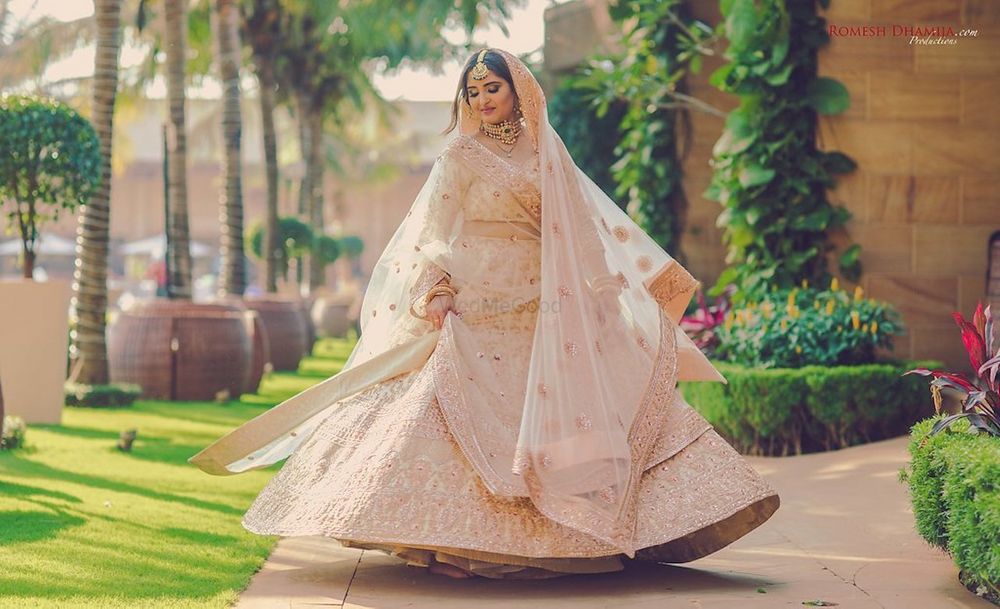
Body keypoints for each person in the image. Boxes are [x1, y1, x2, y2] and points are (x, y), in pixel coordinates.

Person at [190, 48, 779, 579]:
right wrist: (437, 290)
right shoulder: (460, 154)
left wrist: (601, 293)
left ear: (519, 89)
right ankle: (452, 542)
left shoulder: (549, 151)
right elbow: (432, 231)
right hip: (478, 304)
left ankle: (587, 535)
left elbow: (581, 229)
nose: (481, 99)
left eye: (491, 87)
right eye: (472, 92)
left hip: (548, 310)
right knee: (448, 414)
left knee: (580, 409)